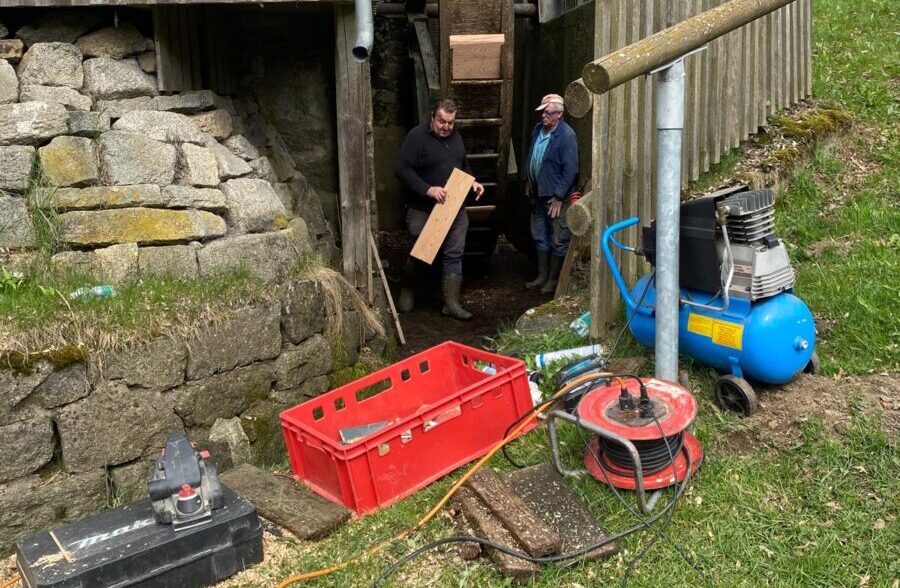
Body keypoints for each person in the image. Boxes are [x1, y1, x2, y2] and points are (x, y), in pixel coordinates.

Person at [394, 99, 485, 320]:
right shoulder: (417, 137)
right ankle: (408, 290)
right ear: (432, 117)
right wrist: (427, 189)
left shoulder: (457, 138)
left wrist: (472, 182)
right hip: (423, 207)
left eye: (451, 123)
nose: (446, 127)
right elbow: (401, 169)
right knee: (422, 253)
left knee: (454, 253)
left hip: (454, 207)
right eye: (441, 121)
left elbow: (463, 165)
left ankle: (450, 303)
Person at [523, 93, 579, 294]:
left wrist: (558, 197)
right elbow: (531, 155)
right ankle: (541, 276)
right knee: (540, 235)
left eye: (547, 113)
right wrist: (528, 181)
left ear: (559, 114)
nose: (543, 117)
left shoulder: (566, 136)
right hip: (538, 193)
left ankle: (553, 280)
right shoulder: (538, 130)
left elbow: (571, 170)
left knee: (558, 239)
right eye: (542, 112)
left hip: (555, 198)